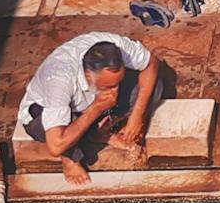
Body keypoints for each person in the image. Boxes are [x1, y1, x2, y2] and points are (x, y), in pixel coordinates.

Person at [18, 32, 159, 186]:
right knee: (52, 131)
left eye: (118, 83)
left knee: (154, 86)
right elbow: (55, 146)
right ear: (88, 75)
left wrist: (137, 115)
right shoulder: (58, 80)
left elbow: (151, 63)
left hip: (90, 104)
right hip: (47, 115)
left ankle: (97, 134)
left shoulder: (116, 48)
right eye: (109, 86)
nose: (115, 91)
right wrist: (96, 109)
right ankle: (70, 160)